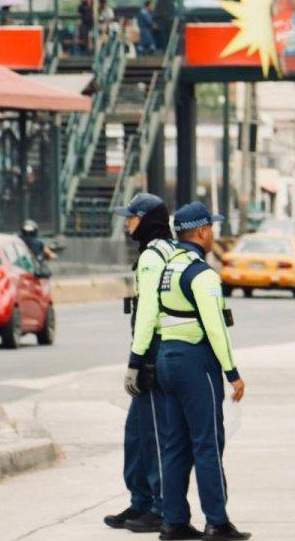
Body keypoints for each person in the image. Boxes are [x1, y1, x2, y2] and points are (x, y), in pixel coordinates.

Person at [155, 202, 250, 541]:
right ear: (202, 231)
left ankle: (174, 522)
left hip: (167, 358)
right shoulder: (202, 274)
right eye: (212, 227)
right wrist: (232, 373)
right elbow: (216, 328)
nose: (214, 233)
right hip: (196, 363)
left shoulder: (168, 269)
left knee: (175, 445)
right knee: (207, 443)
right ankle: (217, 522)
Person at [104, 193, 174, 533]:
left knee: (152, 433)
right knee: (135, 432)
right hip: (152, 348)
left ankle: (159, 507)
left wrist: (136, 359)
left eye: (132, 217)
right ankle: (140, 502)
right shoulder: (161, 251)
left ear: (146, 219)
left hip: (151, 351)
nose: (127, 223)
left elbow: (147, 313)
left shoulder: (151, 256)